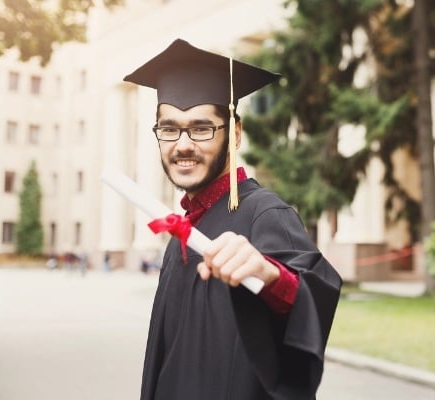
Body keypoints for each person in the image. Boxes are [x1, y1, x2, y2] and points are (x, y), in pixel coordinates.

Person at [123, 38, 342, 399]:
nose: (182, 144)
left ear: (235, 133)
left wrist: (270, 275)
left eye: (201, 128)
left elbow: (311, 292)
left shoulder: (265, 214)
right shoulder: (185, 229)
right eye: (169, 128)